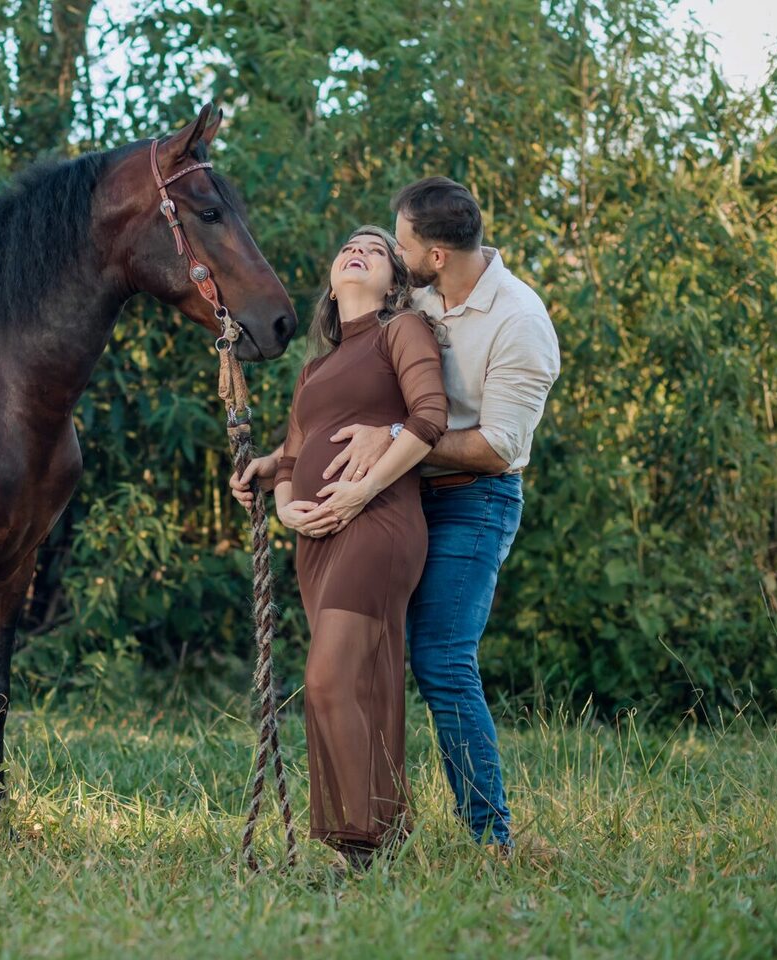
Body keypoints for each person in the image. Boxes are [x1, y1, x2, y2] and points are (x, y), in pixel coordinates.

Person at [231, 178, 562, 858]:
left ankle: (487, 838)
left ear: (431, 257)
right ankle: (369, 829)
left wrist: (392, 438)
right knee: (371, 662)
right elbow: (330, 418)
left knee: (440, 660)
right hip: (397, 497)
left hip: (472, 494)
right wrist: (280, 471)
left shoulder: (518, 323)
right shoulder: (421, 300)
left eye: (396, 243)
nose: (386, 248)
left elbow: (500, 445)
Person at [258, 224, 448, 872]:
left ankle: (361, 844)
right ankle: (379, 838)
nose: (358, 251)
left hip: (380, 523)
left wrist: (360, 490)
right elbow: (290, 457)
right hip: (317, 539)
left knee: (329, 676)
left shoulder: (402, 334)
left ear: (395, 281)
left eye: (377, 250)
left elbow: (428, 420)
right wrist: (286, 506)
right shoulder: (313, 369)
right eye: (348, 246)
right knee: (356, 681)